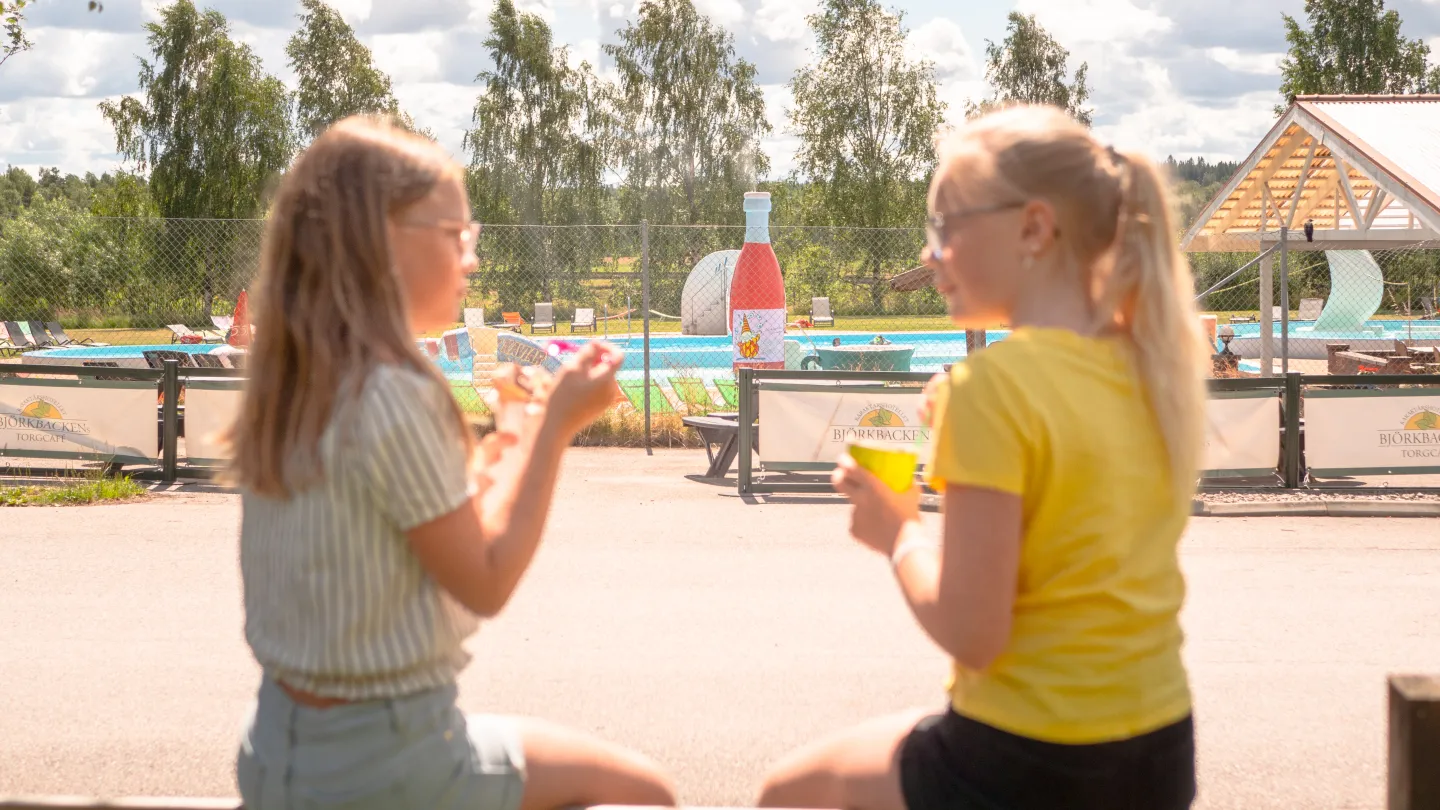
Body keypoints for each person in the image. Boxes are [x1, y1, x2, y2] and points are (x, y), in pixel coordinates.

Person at [756, 103, 1208, 810]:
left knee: (788, 793)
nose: (931, 254)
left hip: (1027, 761)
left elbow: (973, 633)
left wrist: (897, 530)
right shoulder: (1150, 368)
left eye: (946, 226)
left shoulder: (991, 388)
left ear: (1032, 226)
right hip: (1159, 750)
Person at [223, 116, 676, 810]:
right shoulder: (395, 394)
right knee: (647, 793)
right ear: (381, 242)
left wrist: (517, 426)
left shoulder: (298, 383)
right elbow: (485, 580)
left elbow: (445, 534)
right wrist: (557, 427)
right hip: (388, 760)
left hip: (280, 746)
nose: (471, 256)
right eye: (455, 234)